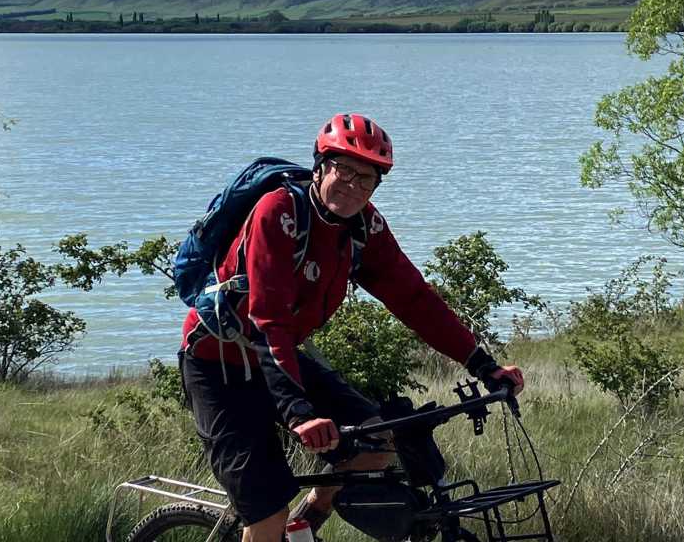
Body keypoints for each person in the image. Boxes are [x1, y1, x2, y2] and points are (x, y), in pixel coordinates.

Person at [178, 112, 526, 542]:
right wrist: (298, 413)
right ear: (321, 166)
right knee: (266, 515)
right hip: (220, 365)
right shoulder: (279, 212)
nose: (354, 186)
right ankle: (278, 526)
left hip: (277, 356)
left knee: (377, 442)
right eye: (345, 170)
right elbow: (268, 320)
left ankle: (304, 526)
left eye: (368, 179)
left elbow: (415, 299)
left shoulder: (364, 228)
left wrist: (483, 364)